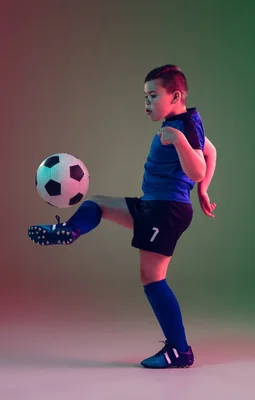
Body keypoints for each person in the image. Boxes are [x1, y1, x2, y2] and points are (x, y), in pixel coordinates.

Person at [28, 64, 218, 368]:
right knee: (97, 204)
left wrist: (181, 144)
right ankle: (68, 231)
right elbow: (211, 151)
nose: (147, 104)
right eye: (145, 98)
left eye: (153, 96)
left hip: (165, 210)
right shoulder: (186, 121)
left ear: (176, 95)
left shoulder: (181, 128)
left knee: (152, 278)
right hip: (153, 205)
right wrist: (204, 191)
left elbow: (197, 167)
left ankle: (180, 351)